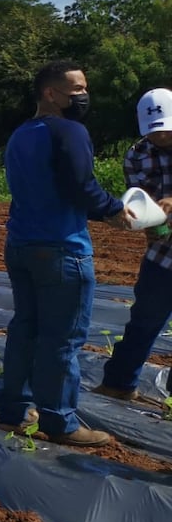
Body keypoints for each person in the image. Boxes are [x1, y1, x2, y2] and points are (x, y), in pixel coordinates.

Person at [0, 60, 133, 447]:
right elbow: (81, 186)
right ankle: (59, 421)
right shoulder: (69, 130)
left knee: (26, 328)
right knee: (62, 339)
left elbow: (55, 188)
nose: (83, 97)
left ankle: (14, 408)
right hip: (60, 248)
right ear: (50, 93)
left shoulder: (21, 134)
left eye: (84, 88)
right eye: (75, 90)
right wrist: (113, 210)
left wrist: (99, 207)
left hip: (21, 244)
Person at [95, 88, 172, 402]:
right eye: (154, 132)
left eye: (166, 130)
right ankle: (119, 384)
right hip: (163, 252)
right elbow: (141, 199)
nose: (161, 137)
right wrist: (147, 221)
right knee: (144, 320)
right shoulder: (138, 153)